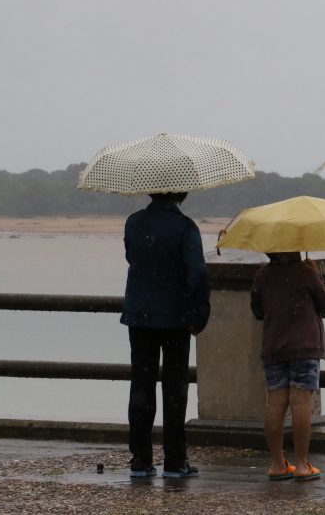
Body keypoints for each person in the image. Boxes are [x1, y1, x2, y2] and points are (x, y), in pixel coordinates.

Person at [120, 191, 210, 479]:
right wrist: (198, 313)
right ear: (182, 193)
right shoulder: (185, 227)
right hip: (175, 317)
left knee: (141, 384)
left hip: (140, 315)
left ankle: (140, 458)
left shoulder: (134, 222)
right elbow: (196, 273)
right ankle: (175, 459)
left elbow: (131, 257)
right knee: (175, 388)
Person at [250, 251, 325, 482]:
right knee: (301, 402)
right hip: (304, 346)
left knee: (275, 403)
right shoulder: (306, 273)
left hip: (274, 347)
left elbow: (257, 310)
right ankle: (302, 464)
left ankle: (277, 464)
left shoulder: (262, 275)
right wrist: (318, 276)